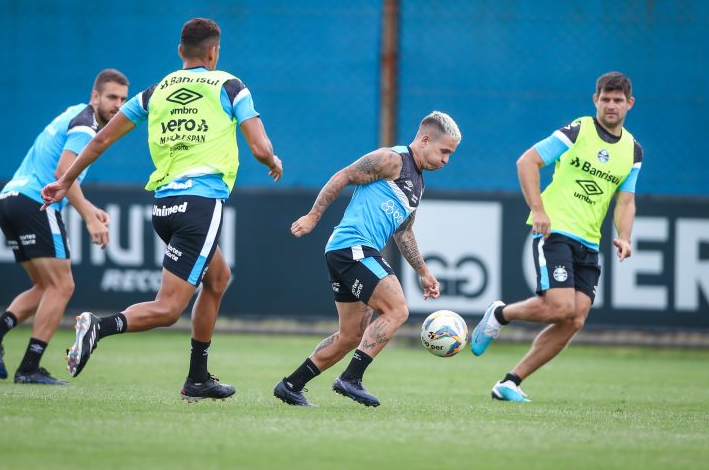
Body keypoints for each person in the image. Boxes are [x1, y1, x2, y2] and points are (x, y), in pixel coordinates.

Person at [40, 18, 283, 402]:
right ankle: (99, 327)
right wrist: (272, 160)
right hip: (200, 205)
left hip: (165, 208)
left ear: (179, 52)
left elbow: (102, 137)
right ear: (213, 52)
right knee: (169, 309)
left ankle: (198, 378)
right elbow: (258, 147)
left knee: (217, 279)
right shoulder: (230, 85)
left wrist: (65, 181)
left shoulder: (156, 91)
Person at [470, 71, 643, 402]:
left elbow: (626, 201)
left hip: (590, 242)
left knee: (574, 318)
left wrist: (625, 235)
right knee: (560, 306)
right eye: (605, 99)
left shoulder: (632, 151)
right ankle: (499, 315)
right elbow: (527, 162)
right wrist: (538, 210)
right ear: (595, 100)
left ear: (629, 104)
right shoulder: (578, 130)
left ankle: (510, 382)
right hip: (556, 229)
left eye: (617, 100)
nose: (610, 105)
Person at [273, 111, 461, 407]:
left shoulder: (418, 182)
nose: (446, 160)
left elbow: (404, 231)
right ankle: (351, 379)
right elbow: (344, 175)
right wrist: (312, 217)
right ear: (425, 140)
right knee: (397, 309)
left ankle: (291, 385)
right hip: (353, 247)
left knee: (350, 335)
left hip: (348, 252)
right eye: (444, 152)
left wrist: (423, 271)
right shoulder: (392, 159)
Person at [0, 69, 128, 385]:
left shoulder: (74, 113)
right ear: (95, 96)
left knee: (45, 286)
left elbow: (62, 175)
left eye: (123, 99)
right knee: (63, 286)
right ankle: (29, 367)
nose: (118, 105)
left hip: (9, 199)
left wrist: (89, 207)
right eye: (112, 97)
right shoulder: (87, 126)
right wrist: (87, 217)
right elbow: (62, 173)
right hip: (34, 202)